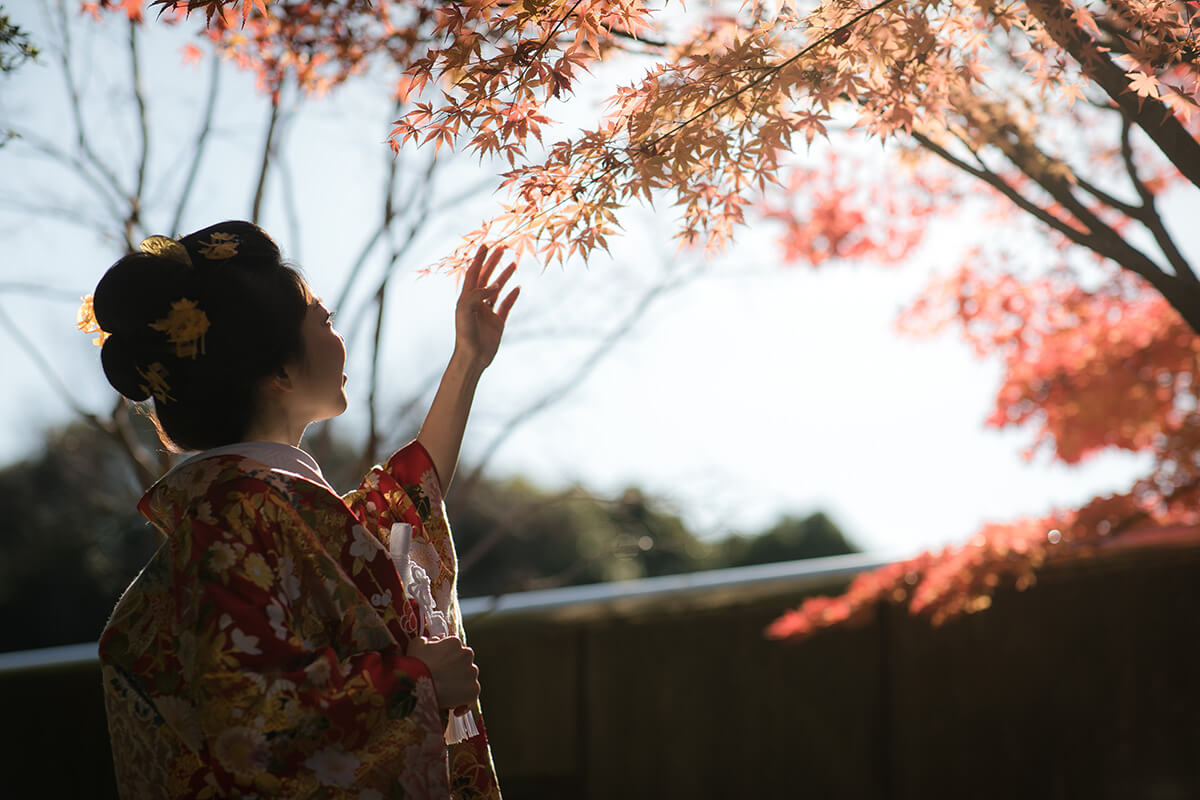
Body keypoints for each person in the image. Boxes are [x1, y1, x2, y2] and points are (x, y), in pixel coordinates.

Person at [84, 220, 518, 798]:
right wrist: (417, 682)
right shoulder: (239, 515)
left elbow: (396, 512)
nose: (339, 339)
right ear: (281, 371)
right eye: (326, 322)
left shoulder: (255, 508)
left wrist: (467, 361)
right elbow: (250, 723)